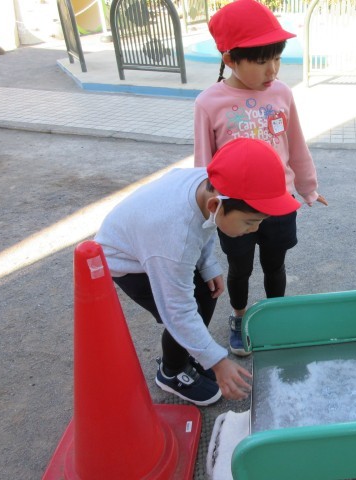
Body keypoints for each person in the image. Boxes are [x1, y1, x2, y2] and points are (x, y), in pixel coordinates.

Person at [94, 138, 301, 406]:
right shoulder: (173, 240)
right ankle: (171, 372)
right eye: (250, 222)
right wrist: (217, 362)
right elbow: (177, 310)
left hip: (155, 244)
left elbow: (204, 225)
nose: (255, 229)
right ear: (216, 205)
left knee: (206, 293)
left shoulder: (208, 185)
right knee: (186, 311)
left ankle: (190, 352)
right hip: (127, 261)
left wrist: (207, 264)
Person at [194, 0, 328, 357]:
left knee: (275, 264)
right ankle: (239, 318)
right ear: (230, 59)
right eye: (260, 60)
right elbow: (202, 165)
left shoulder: (282, 93)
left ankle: (275, 315)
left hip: (279, 203)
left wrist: (308, 187)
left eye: (277, 58)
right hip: (234, 209)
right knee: (239, 268)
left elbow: (295, 144)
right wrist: (207, 211)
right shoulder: (209, 102)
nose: (272, 69)